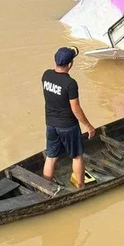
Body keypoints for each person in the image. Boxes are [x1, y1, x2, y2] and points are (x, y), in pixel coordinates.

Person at [42, 46, 96, 189]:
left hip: (51, 124)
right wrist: (88, 126)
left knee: (51, 157)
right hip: (67, 126)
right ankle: (81, 187)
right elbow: (76, 109)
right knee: (77, 156)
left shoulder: (46, 75)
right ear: (70, 64)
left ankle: (45, 187)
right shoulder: (70, 84)